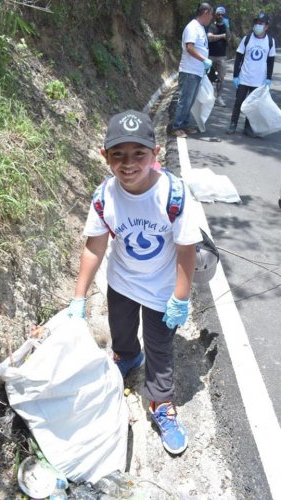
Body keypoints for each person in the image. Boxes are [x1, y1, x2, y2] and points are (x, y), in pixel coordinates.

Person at [67, 109, 202, 455]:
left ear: (155, 155)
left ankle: (161, 404)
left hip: (161, 290)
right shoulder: (104, 196)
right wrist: (78, 299)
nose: (128, 164)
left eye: (138, 154)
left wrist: (180, 297)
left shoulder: (173, 194)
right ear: (104, 156)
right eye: (118, 155)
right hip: (122, 283)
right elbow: (94, 247)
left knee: (160, 348)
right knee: (122, 332)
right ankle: (128, 357)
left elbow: (187, 249)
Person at [227, 12, 276, 136]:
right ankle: (233, 125)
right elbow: (238, 57)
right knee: (239, 103)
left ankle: (248, 128)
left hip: (259, 80)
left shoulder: (270, 41)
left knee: (253, 106)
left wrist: (268, 79)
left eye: (261, 23)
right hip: (244, 78)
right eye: (256, 23)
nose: (257, 25)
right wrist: (235, 76)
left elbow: (270, 61)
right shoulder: (247, 38)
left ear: (266, 26)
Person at [171, 3, 214, 138]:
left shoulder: (200, 28)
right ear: (205, 12)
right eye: (211, 14)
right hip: (189, 70)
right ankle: (176, 127)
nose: (211, 18)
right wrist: (204, 60)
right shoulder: (192, 27)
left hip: (197, 71)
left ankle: (184, 124)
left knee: (191, 100)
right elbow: (190, 48)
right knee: (185, 100)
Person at [207, 6, 231, 107]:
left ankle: (219, 97)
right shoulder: (212, 26)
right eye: (218, 14)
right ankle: (209, 97)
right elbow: (209, 37)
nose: (220, 16)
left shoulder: (226, 27)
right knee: (209, 78)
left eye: (222, 14)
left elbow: (229, 38)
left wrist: (228, 27)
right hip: (210, 56)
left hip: (221, 57)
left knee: (221, 78)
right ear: (215, 15)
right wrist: (221, 36)